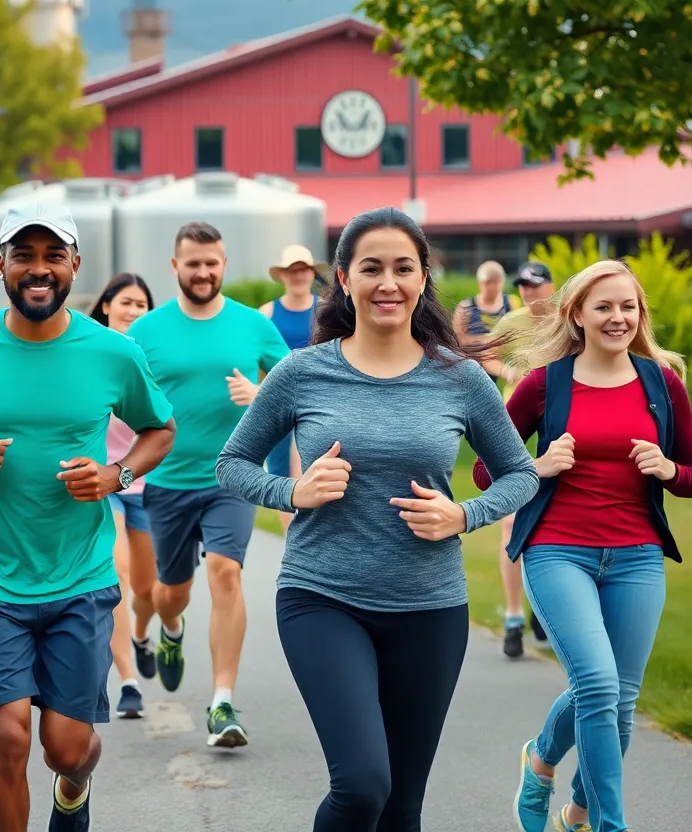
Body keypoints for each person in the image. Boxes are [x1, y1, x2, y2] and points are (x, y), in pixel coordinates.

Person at [217, 207, 538, 830]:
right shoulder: (303, 371)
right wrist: (294, 491)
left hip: (430, 607)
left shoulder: (461, 379)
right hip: (322, 597)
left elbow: (521, 474)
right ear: (343, 278)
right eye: (371, 268)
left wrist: (462, 515)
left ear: (423, 280)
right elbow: (232, 464)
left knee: (401, 808)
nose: (387, 282)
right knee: (363, 784)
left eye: (403, 268)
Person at [0, 201, 175, 832]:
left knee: (67, 749)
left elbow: (161, 431)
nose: (39, 269)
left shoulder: (113, 352)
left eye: (53, 256)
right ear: (1, 265)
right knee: (10, 738)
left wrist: (116, 476)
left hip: (79, 575)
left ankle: (73, 791)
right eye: (24, 255)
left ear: (75, 264)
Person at [476, 260, 692, 832]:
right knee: (599, 684)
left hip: (637, 554)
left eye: (628, 306)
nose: (618, 317)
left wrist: (666, 468)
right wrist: (537, 466)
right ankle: (609, 824)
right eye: (604, 306)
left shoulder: (662, 383)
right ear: (576, 314)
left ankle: (561, 790)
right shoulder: (543, 384)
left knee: (619, 703)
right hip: (558, 549)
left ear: (640, 314)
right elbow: (486, 472)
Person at [126, 221, 290, 748]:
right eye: (192, 263)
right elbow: (112, 395)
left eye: (212, 262)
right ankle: (170, 631)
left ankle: (222, 702)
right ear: (175, 267)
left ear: (224, 264)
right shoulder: (145, 332)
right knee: (167, 594)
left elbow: (297, 389)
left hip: (233, 476)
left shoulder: (252, 326)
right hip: (167, 482)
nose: (203, 272)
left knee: (225, 573)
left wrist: (260, 392)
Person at [88, 272, 159, 719]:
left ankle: (143, 632)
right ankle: (129, 681)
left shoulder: (154, 357)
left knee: (149, 588)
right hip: (105, 480)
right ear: (107, 306)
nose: (133, 311)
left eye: (142, 305)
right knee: (119, 575)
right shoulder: (88, 353)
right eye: (126, 303)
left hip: (149, 480)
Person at [479, 262, 556, 658]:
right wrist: (505, 369)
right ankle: (512, 616)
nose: (528, 292)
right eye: (523, 286)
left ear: (552, 287)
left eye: (535, 285)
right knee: (510, 525)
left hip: (559, 429)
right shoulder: (512, 320)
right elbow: (486, 357)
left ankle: (543, 607)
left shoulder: (570, 318)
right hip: (516, 429)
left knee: (549, 525)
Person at [259, 244, 327, 532]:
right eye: (293, 271)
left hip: (319, 404)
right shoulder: (266, 314)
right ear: (283, 275)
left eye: (304, 270)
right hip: (279, 408)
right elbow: (258, 363)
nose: (299, 276)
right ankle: (292, 543)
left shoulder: (326, 311)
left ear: (312, 273)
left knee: (315, 471)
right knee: (281, 474)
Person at [453, 259, 516, 354]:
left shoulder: (511, 303)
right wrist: (488, 341)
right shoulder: (465, 307)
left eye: (496, 282)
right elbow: (458, 340)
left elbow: (516, 335)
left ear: (502, 282)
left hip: (503, 357)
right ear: (480, 283)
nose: (492, 287)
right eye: (488, 282)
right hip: (475, 358)